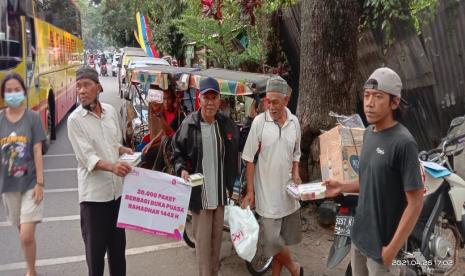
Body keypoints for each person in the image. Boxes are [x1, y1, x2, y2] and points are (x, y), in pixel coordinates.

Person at [324, 67, 424, 276]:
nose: (369, 103)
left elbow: (415, 203)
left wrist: (392, 249)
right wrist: (342, 186)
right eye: (366, 95)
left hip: (382, 248)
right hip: (359, 238)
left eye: (378, 97)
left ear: (394, 102)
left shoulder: (404, 143)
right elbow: (368, 180)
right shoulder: (368, 133)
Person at [67, 66, 133, 276]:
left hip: (116, 196)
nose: (81, 90)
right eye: (78, 86)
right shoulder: (75, 120)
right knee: (95, 262)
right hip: (94, 201)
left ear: (98, 87)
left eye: (86, 85)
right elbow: (88, 158)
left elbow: (113, 144)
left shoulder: (110, 112)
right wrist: (113, 167)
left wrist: (123, 150)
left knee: (118, 257)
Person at [172, 77, 239, 276]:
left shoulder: (226, 124)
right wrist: (181, 169)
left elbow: (236, 150)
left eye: (214, 97)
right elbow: (177, 152)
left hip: (219, 195)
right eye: (206, 97)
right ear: (199, 99)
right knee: (202, 245)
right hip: (199, 196)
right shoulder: (189, 124)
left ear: (220, 100)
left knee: (216, 242)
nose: (210, 102)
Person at [241, 76, 303, 276]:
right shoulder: (260, 122)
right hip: (266, 195)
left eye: (275, 102)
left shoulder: (294, 123)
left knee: (283, 239)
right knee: (272, 241)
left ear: (286, 101)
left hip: (287, 194)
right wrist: (250, 191)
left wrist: (296, 173)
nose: (270, 106)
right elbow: (249, 158)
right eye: (268, 101)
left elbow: (297, 153)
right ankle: (295, 269)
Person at [0, 73, 46, 276]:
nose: (13, 94)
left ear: (24, 92)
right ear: (3, 94)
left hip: (30, 185)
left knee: (26, 235)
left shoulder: (33, 118)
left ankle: (30, 272)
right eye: (8, 91)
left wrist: (40, 183)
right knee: (22, 234)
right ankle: (32, 268)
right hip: (8, 187)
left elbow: (37, 150)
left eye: (16, 89)